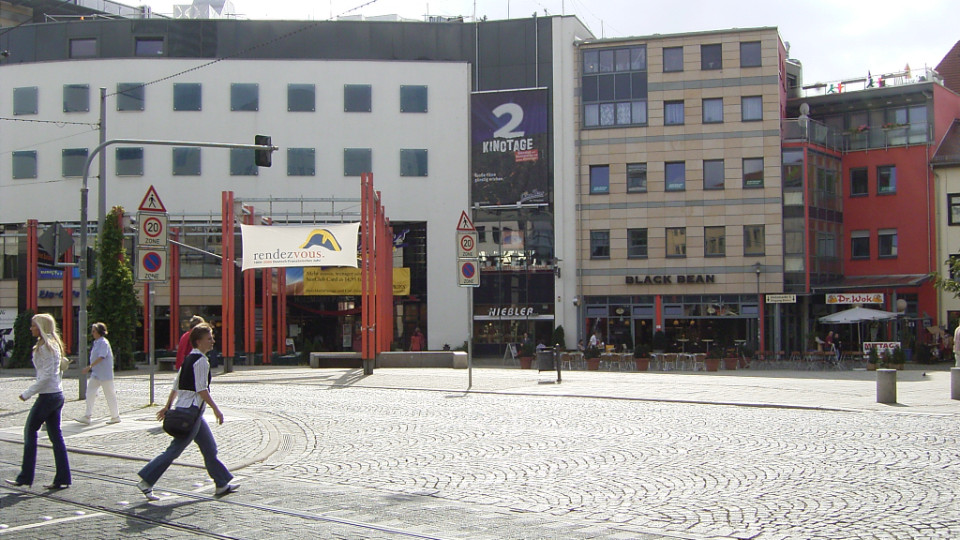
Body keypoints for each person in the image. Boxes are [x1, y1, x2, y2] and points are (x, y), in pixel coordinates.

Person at [137, 323, 238, 501]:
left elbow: (176, 385)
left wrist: (168, 406)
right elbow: (201, 389)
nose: (213, 341)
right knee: (174, 450)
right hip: (191, 412)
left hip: (187, 410)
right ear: (199, 342)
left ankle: (222, 483)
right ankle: (146, 480)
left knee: (209, 448)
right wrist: (216, 409)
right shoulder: (200, 362)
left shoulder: (188, 359)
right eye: (209, 338)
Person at [5, 313, 71, 489]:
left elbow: (47, 375)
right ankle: (63, 477)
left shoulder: (45, 347)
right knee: (56, 436)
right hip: (57, 394)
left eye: (34, 325)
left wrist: (28, 393)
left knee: (30, 431)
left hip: (48, 396)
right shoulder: (52, 345)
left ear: (41, 327)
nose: (31, 328)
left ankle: (25, 476)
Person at [76, 322, 120, 425]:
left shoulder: (103, 343)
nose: (92, 333)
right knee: (90, 392)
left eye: (94, 331)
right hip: (96, 374)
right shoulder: (96, 342)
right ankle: (87, 415)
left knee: (110, 394)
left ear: (99, 332)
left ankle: (115, 416)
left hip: (105, 374)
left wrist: (89, 367)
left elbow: (101, 356)